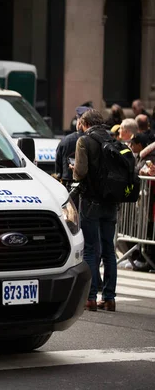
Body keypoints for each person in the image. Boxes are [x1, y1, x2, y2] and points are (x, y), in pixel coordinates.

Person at [72, 109, 118, 312]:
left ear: (85, 123)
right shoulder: (114, 140)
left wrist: (73, 169)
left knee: (91, 248)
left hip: (91, 201)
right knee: (109, 249)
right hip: (111, 201)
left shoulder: (84, 141)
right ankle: (109, 298)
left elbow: (80, 172)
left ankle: (90, 297)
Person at [55, 106, 88, 204]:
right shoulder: (94, 140)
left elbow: (58, 168)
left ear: (79, 123)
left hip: (69, 187)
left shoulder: (65, 140)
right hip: (89, 190)